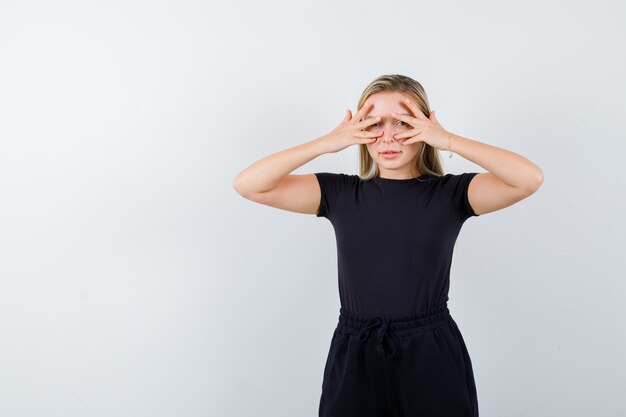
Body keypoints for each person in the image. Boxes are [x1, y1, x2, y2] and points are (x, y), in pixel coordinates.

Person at [232, 74, 543, 417]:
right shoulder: (340, 194)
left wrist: (448, 139)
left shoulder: (450, 195)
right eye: (374, 124)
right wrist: (326, 142)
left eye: (403, 122)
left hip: (431, 353)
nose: (389, 136)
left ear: (423, 127)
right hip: (355, 353)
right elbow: (249, 185)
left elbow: (529, 179)